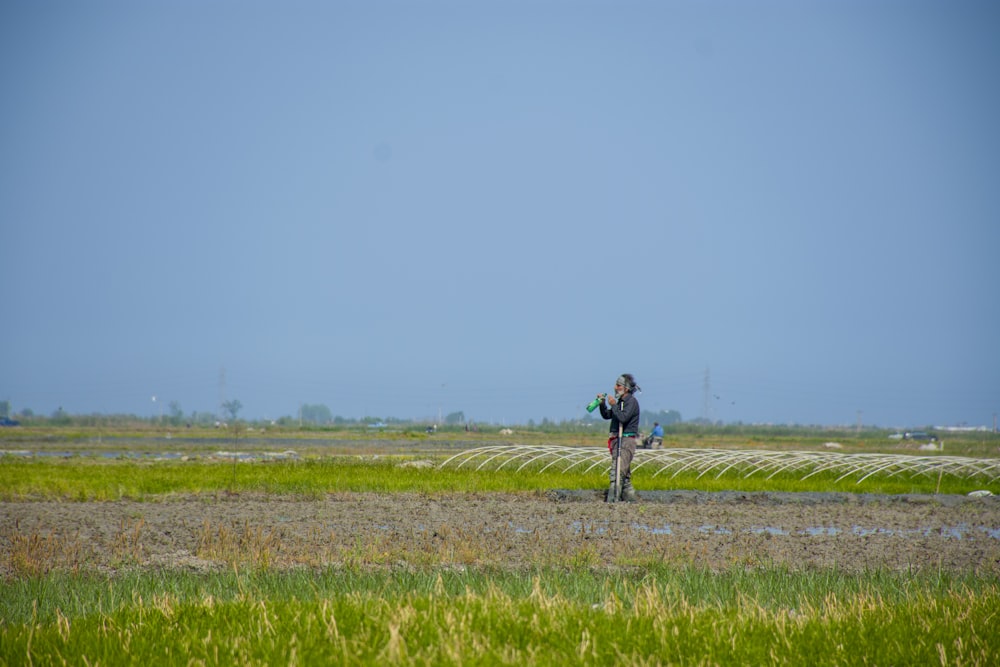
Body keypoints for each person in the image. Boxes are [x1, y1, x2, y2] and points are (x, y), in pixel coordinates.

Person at [597, 373, 640, 503]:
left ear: (626, 388)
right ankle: (631, 501)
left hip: (626, 441)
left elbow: (623, 417)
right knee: (624, 477)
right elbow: (607, 415)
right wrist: (603, 404)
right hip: (617, 440)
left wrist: (614, 405)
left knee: (617, 473)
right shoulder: (620, 402)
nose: (615, 387)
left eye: (618, 385)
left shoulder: (631, 402)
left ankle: (613, 500)